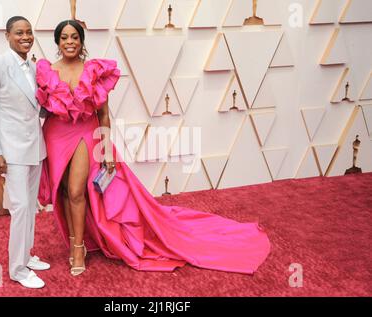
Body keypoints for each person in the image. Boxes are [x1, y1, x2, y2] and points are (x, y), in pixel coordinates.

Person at [36, 20, 271, 276]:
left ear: (81, 42)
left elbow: (103, 115)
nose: (70, 42)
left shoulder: (93, 70)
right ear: (57, 42)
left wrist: (104, 148)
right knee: (62, 194)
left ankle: (79, 249)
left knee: (76, 191)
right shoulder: (47, 71)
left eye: (75, 37)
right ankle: (72, 241)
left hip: (84, 133)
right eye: (64, 38)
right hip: (55, 135)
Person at [0, 16, 50, 289]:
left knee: (30, 206)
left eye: (29, 32)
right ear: (7, 35)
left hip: (36, 147)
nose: (25, 37)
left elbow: (37, 107)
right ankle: (17, 269)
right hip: (11, 151)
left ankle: (27, 255)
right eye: (19, 32)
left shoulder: (33, 67)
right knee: (21, 208)